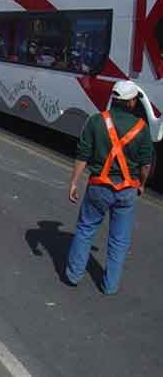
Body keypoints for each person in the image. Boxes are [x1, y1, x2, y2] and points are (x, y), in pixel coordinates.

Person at [65, 80, 153, 295]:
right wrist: (141, 184)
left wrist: (74, 182)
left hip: (98, 187)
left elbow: (83, 154)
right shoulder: (141, 128)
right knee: (119, 239)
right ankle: (110, 285)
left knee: (85, 229)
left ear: (114, 99)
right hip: (127, 191)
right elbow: (146, 164)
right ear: (132, 102)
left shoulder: (96, 121)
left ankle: (73, 275)